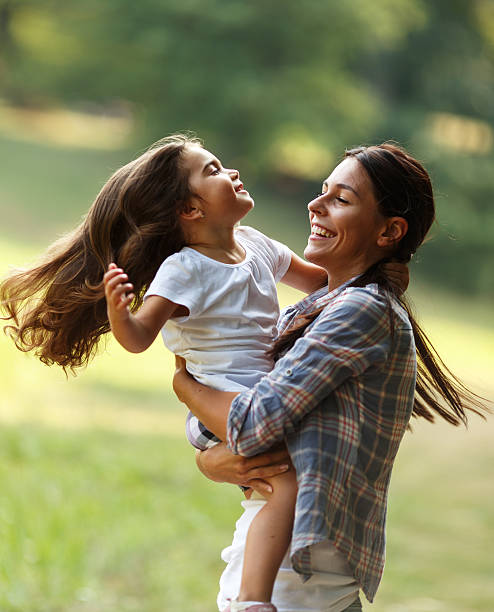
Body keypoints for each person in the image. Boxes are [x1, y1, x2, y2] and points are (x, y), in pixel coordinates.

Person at [0, 134, 405, 612]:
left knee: (280, 482)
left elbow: (321, 286)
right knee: (284, 484)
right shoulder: (184, 269)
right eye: (213, 170)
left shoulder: (270, 254)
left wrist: (184, 389)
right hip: (227, 397)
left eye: (340, 198)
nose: (231, 172)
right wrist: (119, 311)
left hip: (257, 415)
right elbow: (137, 338)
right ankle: (255, 600)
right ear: (191, 210)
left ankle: (253, 595)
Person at [172, 143, 488, 612]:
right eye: (322, 191)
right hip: (290, 576)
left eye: (340, 199)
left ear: (389, 232)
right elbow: (268, 437)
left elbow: (254, 422)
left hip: (297, 587)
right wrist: (211, 462)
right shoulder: (320, 307)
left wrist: (184, 386)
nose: (314, 205)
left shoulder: (363, 310)